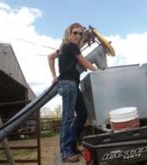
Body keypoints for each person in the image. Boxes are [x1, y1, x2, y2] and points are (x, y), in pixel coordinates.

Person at [48, 23, 96, 163]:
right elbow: (85, 62)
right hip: (68, 84)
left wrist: (54, 76)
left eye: (80, 34)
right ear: (68, 33)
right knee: (67, 118)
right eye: (75, 32)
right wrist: (99, 72)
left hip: (72, 84)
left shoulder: (64, 48)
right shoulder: (71, 46)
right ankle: (66, 151)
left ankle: (72, 145)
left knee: (82, 113)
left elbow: (50, 57)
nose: (78, 36)